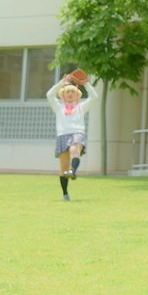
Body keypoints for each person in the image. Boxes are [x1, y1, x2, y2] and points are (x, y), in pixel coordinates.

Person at [46, 72, 98, 201]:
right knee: (63, 168)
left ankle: (73, 170)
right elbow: (49, 94)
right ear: (63, 95)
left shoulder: (81, 107)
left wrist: (86, 84)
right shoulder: (58, 107)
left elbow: (94, 97)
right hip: (62, 135)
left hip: (77, 133)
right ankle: (65, 193)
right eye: (67, 92)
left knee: (75, 150)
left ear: (77, 95)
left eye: (73, 92)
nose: (70, 94)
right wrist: (61, 83)